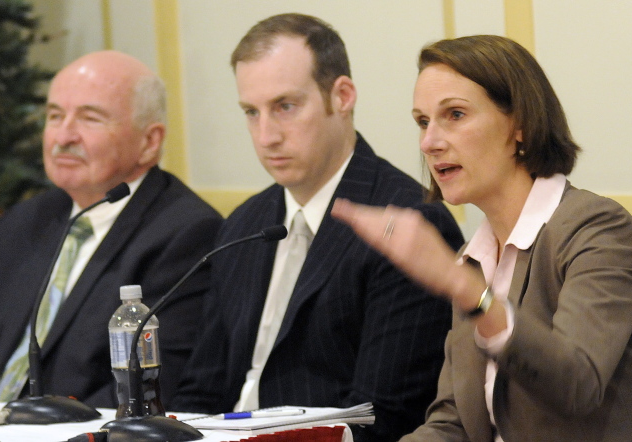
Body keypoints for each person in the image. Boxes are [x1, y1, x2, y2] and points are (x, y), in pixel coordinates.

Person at [332, 35, 632, 441]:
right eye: (422, 121)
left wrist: (470, 292)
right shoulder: (474, 258)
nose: (429, 143)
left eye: (454, 114)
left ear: (519, 125)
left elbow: (576, 384)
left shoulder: (599, 231)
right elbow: (455, 422)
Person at [172, 13, 464, 442]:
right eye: (251, 112)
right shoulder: (244, 224)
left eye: (285, 107)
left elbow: (382, 416)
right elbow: (201, 390)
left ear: (341, 95)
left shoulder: (405, 221)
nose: (266, 135)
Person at [0, 50, 222, 408]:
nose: (63, 136)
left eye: (90, 118)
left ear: (149, 142)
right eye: (55, 115)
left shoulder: (185, 233)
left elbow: (150, 386)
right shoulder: (22, 222)